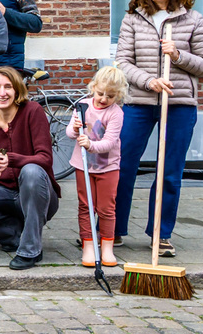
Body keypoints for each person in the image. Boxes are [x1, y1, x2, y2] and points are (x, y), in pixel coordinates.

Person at [114, 0, 203, 258]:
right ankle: (114, 229)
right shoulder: (133, 19)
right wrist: (149, 82)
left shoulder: (193, 19)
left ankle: (161, 233)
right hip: (139, 103)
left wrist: (179, 55)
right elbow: (123, 62)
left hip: (180, 104)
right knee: (122, 166)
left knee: (169, 171)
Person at [0, 66, 61, 270]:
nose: (2, 92)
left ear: (17, 90)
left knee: (31, 171)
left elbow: (45, 159)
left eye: (8, 87)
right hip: (4, 193)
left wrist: (13, 159)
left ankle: (30, 251)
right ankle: (19, 238)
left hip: (39, 193)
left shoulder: (33, 111)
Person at [66, 66, 127, 267]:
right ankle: (88, 246)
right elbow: (70, 134)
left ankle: (107, 247)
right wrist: (75, 128)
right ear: (93, 87)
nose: (103, 99)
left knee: (106, 208)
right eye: (100, 93)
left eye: (110, 96)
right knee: (86, 206)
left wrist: (91, 145)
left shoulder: (116, 113)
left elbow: (110, 142)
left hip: (108, 167)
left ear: (118, 95)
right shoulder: (82, 106)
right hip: (82, 166)